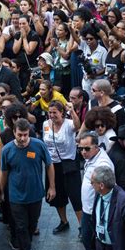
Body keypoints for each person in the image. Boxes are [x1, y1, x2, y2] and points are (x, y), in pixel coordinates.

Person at [0, 118, 56, 250]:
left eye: (25, 135)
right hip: (16, 196)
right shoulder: (7, 150)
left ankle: (27, 246)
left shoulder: (38, 145)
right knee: (21, 226)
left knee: (32, 224)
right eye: (19, 135)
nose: (23, 138)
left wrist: (52, 187)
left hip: (36, 193)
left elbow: (49, 165)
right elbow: (4, 172)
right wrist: (1, 190)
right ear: (14, 133)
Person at [78, 131, 114, 250]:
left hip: (96, 213)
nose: (83, 152)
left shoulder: (103, 164)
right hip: (89, 210)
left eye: (87, 149)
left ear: (97, 147)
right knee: (89, 241)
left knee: (94, 241)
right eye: (81, 148)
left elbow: (107, 190)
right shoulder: (92, 158)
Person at [42, 100, 81, 234]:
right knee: (57, 196)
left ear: (62, 113)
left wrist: (72, 111)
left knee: (75, 196)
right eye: (50, 112)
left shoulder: (69, 124)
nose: (52, 115)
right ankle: (63, 221)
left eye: (55, 113)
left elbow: (77, 126)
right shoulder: (45, 124)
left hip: (68, 163)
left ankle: (83, 227)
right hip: (53, 165)